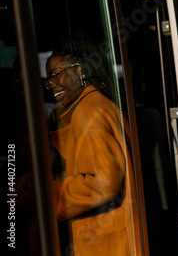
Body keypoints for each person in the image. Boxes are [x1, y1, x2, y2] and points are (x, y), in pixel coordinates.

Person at [44, 30, 141, 255]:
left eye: (57, 74)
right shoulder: (95, 105)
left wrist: (50, 194)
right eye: (49, 79)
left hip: (104, 245)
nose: (52, 85)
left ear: (80, 70)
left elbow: (104, 183)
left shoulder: (89, 111)